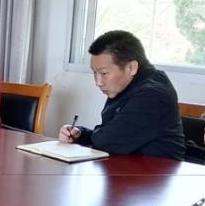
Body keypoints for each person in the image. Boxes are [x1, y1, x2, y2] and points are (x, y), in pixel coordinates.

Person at [57, 30, 185, 160]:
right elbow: (108, 132)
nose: (98, 82)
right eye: (94, 72)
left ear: (131, 67)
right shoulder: (126, 85)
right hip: (125, 166)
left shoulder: (153, 95)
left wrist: (91, 136)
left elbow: (106, 142)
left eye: (104, 73)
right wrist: (80, 133)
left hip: (157, 171)